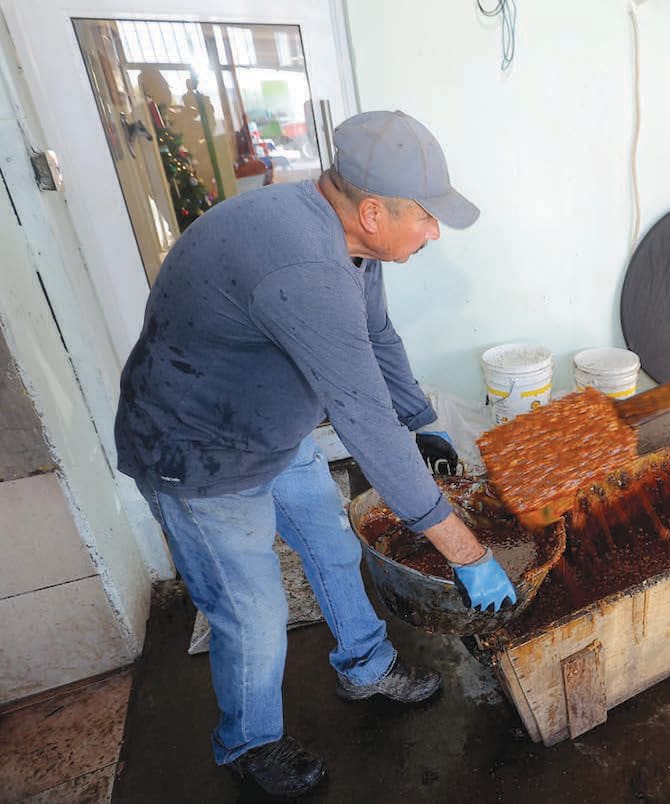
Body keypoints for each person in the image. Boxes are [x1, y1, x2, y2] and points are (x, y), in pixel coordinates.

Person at [114, 110, 518, 797]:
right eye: (425, 218)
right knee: (253, 612)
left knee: (332, 548)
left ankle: (364, 667)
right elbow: (362, 420)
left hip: (270, 425)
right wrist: (469, 555)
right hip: (197, 453)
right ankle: (248, 743)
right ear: (371, 211)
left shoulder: (350, 245)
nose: (433, 233)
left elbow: (378, 338)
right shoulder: (304, 265)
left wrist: (422, 420)